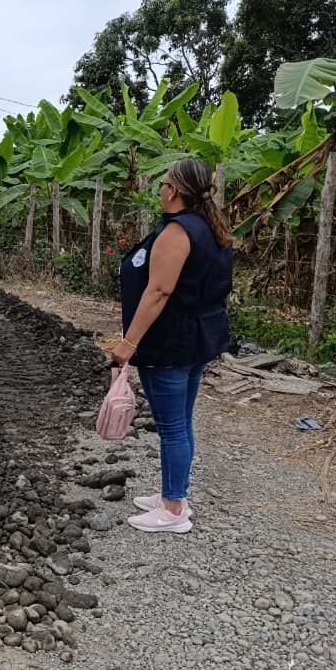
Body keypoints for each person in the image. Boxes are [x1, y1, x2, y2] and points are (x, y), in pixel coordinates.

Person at [104, 158, 233, 534]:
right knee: (181, 422)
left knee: (173, 427)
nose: (160, 189)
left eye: (163, 183)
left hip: (170, 342)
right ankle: (173, 495)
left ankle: (173, 509)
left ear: (173, 190)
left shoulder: (178, 232)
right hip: (196, 338)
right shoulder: (209, 226)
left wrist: (129, 343)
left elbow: (158, 291)